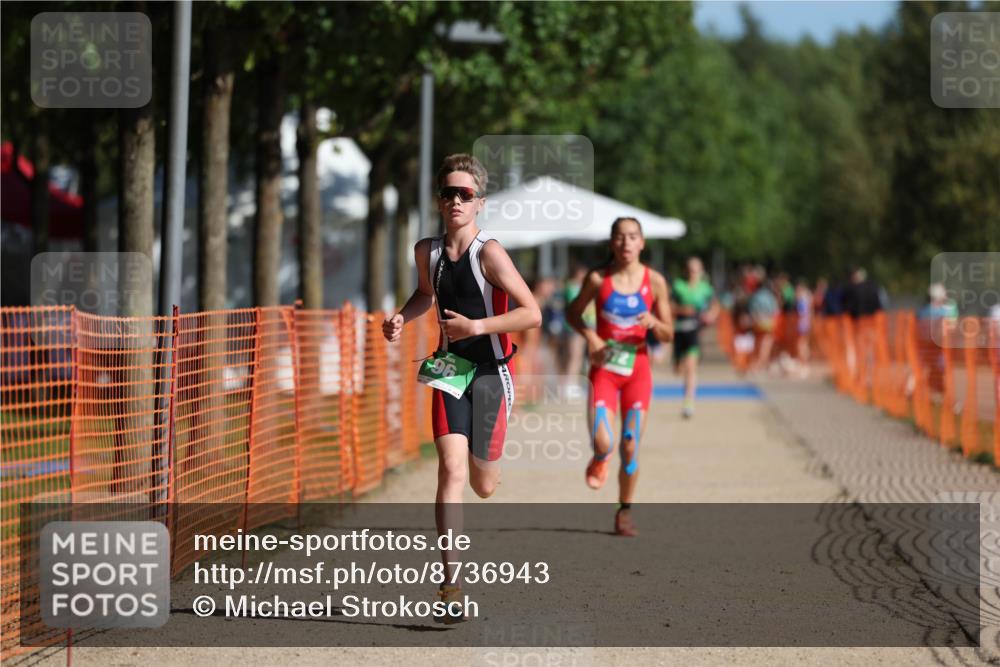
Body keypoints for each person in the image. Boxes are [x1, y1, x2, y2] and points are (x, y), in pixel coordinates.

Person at [382, 153, 541, 621]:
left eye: (464, 194)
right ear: (438, 200)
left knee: (482, 484)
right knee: (449, 471)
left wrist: (477, 327)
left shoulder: (489, 253)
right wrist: (399, 317)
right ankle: (451, 581)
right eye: (449, 193)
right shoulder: (426, 252)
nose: (456, 200)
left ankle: (488, 465)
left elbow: (530, 312)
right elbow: (425, 295)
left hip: (492, 371)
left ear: (479, 203)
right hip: (449, 367)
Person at [566, 217, 673, 537]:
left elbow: (668, 335)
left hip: (637, 372)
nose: (626, 243)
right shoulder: (598, 279)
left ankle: (624, 511)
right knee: (604, 441)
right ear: (612, 242)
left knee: (629, 447)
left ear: (642, 243)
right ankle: (600, 457)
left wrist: (655, 322)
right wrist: (592, 337)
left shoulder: (655, 282)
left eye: (633, 237)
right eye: (620, 237)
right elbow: (573, 312)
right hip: (605, 371)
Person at [670, 257, 719, 418]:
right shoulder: (678, 286)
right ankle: (680, 368)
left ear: (701, 271)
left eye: (696, 270)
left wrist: (711, 315)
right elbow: (668, 307)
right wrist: (682, 310)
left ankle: (688, 401)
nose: (693, 273)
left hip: (694, 332)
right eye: (691, 270)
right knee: (678, 369)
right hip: (679, 331)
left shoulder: (705, 288)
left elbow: (715, 306)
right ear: (686, 271)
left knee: (691, 367)